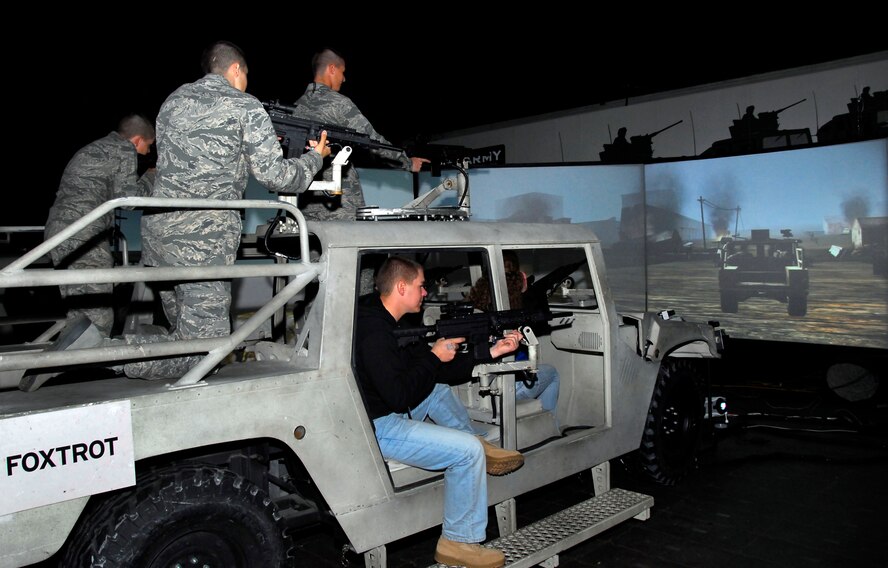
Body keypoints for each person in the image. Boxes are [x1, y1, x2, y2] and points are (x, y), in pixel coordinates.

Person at [123, 41, 330, 380]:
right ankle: (96, 354)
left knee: (182, 338)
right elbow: (275, 175)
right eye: (246, 75)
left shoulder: (172, 101)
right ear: (236, 70)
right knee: (207, 351)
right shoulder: (244, 106)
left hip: (159, 237)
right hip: (202, 243)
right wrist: (315, 158)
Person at [354, 256, 524, 568]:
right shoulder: (375, 333)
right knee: (467, 452)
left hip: (386, 411)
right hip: (376, 427)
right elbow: (398, 395)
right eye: (420, 287)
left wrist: (493, 351)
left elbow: (437, 372)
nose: (425, 293)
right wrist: (433, 357)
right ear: (401, 287)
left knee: (438, 391)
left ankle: (480, 446)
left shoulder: (391, 319)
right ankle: (458, 541)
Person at [44, 114, 156, 337]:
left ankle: (71, 367)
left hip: (59, 231)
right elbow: (128, 200)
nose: (148, 152)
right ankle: (89, 365)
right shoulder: (124, 149)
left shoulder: (97, 148)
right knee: (98, 315)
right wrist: (151, 177)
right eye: (148, 145)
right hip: (84, 235)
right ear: (136, 140)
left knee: (79, 312)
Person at [289, 48, 429, 221]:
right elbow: (373, 141)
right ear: (332, 69)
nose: (344, 78)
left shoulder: (296, 108)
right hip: (339, 201)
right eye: (343, 72)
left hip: (304, 203)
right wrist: (408, 162)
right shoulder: (339, 104)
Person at [466, 252, 560, 419]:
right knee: (552, 373)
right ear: (519, 275)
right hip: (507, 386)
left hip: (476, 386)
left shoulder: (478, 303)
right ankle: (550, 427)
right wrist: (525, 287)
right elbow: (541, 321)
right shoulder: (519, 307)